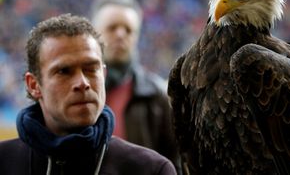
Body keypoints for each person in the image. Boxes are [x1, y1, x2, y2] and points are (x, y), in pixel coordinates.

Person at [0, 14, 177, 175]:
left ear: (104, 75)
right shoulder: (5, 162)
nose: (83, 83)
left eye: (91, 69)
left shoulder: (151, 169)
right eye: (64, 71)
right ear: (34, 85)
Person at [90, 0, 181, 172]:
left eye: (128, 29)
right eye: (112, 27)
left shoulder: (158, 97)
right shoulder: (76, 91)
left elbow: (174, 163)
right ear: (94, 33)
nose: (121, 34)